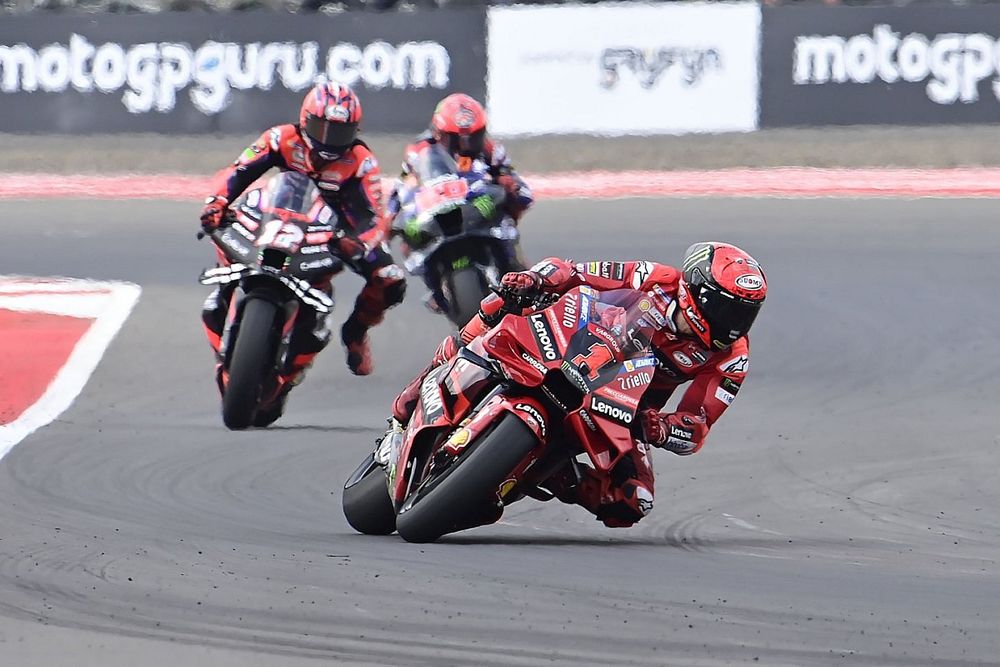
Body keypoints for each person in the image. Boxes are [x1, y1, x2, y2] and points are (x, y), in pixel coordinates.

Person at [383, 242, 767, 527]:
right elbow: (577, 272)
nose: (733, 322)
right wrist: (536, 279)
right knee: (500, 304)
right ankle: (425, 382)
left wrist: (662, 428)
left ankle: (552, 474)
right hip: (579, 347)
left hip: (625, 407)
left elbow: (698, 425)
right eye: (726, 307)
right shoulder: (656, 278)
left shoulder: (732, 357)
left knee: (633, 503)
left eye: (745, 313)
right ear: (694, 290)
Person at [199, 81, 406, 378]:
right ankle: (225, 291)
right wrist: (217, 202)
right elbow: (238, 171)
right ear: (305, 119)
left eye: (339, 132)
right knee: (224, 223)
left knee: (389, 279)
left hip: (333, 230)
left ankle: (356, 332)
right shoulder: (280, 137)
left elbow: (373, 217)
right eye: (322, 128)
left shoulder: (361, 162)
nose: (329, 141)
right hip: (277, 215)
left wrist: (357, 243)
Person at [391, 93, 534, 272]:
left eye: (473, 137)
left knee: (512, 219)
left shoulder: (490, 149)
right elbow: (402, 186)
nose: (466, 145)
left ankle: (521, 276)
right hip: (438, 211)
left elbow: (519, 188)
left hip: (479, 206)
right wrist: (393, 218)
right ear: (439, 134)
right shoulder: (419, 150)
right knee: (406, 237)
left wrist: (509, 184)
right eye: (456, 139)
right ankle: (439, 289)